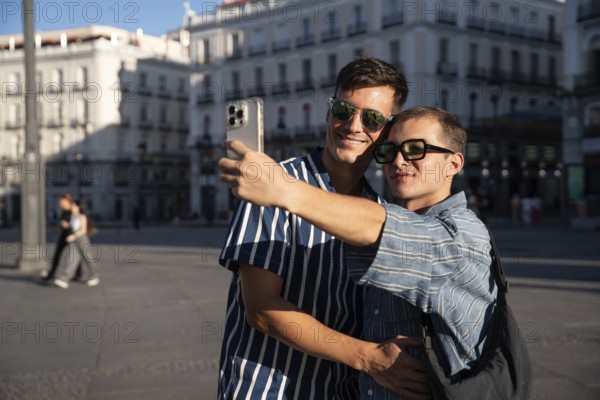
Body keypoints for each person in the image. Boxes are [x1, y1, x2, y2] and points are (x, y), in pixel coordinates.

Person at [220, 106, 498, 393]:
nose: (398, 160)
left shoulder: (460, 235)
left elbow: (386, 228)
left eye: (415, 149)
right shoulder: (385, 211)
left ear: (454, 164)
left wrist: (284, 189)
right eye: (388, 151)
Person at [217, 57, 428, 399]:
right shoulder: (271, 183)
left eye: (372, 118)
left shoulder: (376, 212)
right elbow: (261, 309)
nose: (354, 126)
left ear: (387, 132)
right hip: (266, 390)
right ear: (329, 113)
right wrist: (368, 357)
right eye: (345, 110)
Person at [52, 200, 100, 289]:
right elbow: (72, 227)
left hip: (82, 239)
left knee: (87, 258)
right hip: (74, 240)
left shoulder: (82, 216)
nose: (72, 207)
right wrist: (66, 225)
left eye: (73, 206)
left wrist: (73, 236)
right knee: (71, 259)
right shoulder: (72, 216)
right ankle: (64, 279)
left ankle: (94, 275)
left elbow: (83, 230)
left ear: (78, 207)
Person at [42, 193, 73, 281]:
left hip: (70, 236)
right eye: (60, 201)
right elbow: (62, 222)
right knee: (57, 254)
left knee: (76, 255)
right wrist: (59, 227)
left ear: (68, 201)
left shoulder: (71, 211)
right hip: (64, 236)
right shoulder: (64, 211)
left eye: (62, 201)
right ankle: (51, 274)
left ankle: (79, 273)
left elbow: (75, 223)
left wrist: (67, 225)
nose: (61, 203)